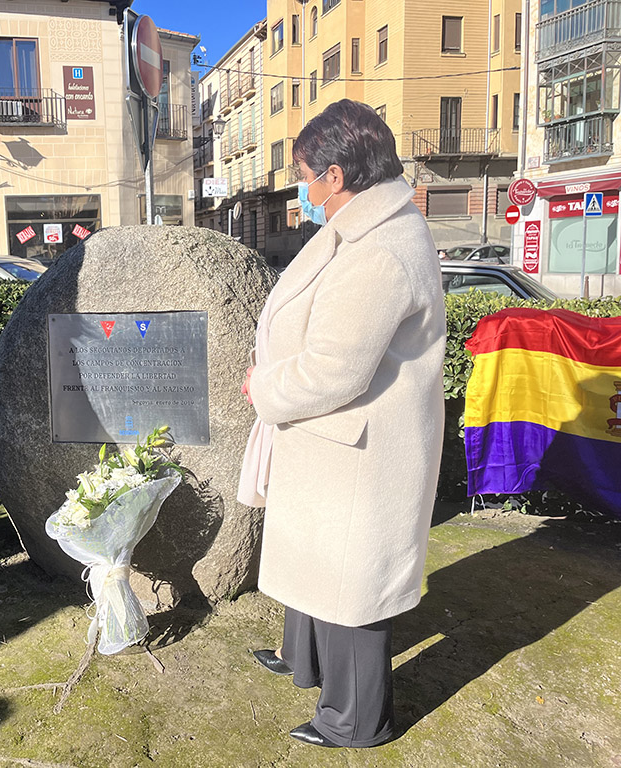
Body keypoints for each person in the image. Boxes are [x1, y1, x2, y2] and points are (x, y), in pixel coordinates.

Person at [238, 99, 446, 748]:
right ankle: (304, 659)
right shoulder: (357, 225)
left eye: (304, 172)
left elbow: (335, 370)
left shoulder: (379, 248)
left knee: (352, 586)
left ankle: (355, 720)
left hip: (359, 445)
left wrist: (264, 389)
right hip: (335, 438)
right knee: (316, 561)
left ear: (336, 175)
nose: (299, 186)